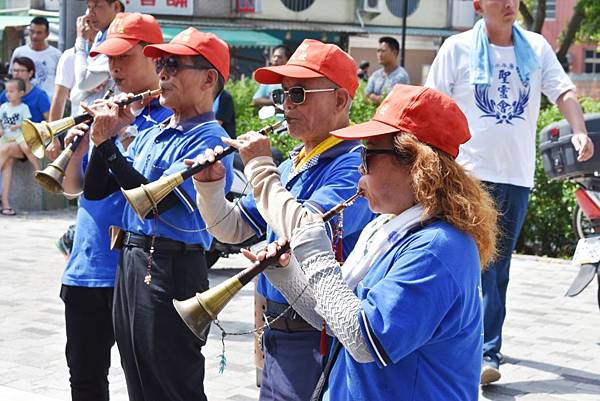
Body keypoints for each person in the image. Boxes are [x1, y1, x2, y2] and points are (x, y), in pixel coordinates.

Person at [251, 84, 498, 401]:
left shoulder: (438, 247)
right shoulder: (389, 229)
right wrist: (286, 275)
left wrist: (317, 258)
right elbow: (335, 317)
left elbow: (365, 339)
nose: (358, 167)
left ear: (415, 165)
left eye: (367, 156)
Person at [188, 38, 375, 401]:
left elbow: (306, 228)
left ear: (340, 99)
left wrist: (258, 167)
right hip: (277, 328)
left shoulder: (356, 165)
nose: (286, 106)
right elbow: (233, 229)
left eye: (299, 94)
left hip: (319, 333)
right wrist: (209, 189)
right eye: (283, 95)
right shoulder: (293, 163)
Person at [424, 0, 594, 385]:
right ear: (478, 5)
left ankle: (486, 352)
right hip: (467, 172)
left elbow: (563, 91)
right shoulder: (457, 48)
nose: (509, 4)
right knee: (460, 259)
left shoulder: (535, 47)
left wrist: (579, 129)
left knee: (497, 267)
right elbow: (433, 103)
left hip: (515, 174)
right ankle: (455, 343)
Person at [82, 27, 234, 401]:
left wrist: (109, 145)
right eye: (160, 63)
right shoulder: (156, 130)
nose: (161, 72)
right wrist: (105, 136)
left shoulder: (211, 139)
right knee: (137, 375)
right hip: (133, 260)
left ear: (208, 78)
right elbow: (96, 190)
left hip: (171, 266)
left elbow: (152, 203)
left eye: (173, 65)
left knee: (171, 381)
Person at [57, 13, 169, 401]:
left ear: (154, 56)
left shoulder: (170, 119)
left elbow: (154, 199)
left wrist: (111, 140)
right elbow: (77, 190)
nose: (114, 67)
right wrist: (79, 150)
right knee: (85, 380)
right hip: (86, 267)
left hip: (135, 272)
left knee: (150, 383)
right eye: (109, 57)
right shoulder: (104, 110)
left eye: (124, 56)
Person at [74, 0, 122, 115]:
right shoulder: (101, 36)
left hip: (109, 119)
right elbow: (74, 95)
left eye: (96, 6)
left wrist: (80, 40)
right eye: (89, 7)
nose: (90, 13)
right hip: (95, 116)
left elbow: (82, 83)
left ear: (115, 7)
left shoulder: (116, 40)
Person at [0, 78, 36, 215]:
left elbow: (28, 124)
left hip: (18, 141)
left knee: (9, 152)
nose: (8, 94)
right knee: (8, 162)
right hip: (5, 140)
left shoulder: (23, 108)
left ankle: (38, 170)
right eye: (6, 91)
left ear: (21, 93)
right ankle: (5, 204)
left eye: (11, 91)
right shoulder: (3, 107)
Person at [10, 16, 61, 98]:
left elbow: (61, 81)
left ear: (47, 34)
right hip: (23, 102)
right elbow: (12, 77)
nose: (34, 36)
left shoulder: (56, 55)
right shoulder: (19, 52)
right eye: (32, 32)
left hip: (48, 103)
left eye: (39, 33)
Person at [1, 57, 51, 122]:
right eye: (15, 70)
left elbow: (50, 120)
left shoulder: (39, 95)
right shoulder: (7, 92)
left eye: (21, 71)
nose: (16, 74)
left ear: (30, 73)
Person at [365, 36, 410, 104]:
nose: (379, 54)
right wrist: (379, 99)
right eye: (378, 51)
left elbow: (391, 101)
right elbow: (366, 96)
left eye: (383, 51)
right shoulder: (376, 75)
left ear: (394, 52)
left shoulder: (401, 76)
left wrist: (372, 96)